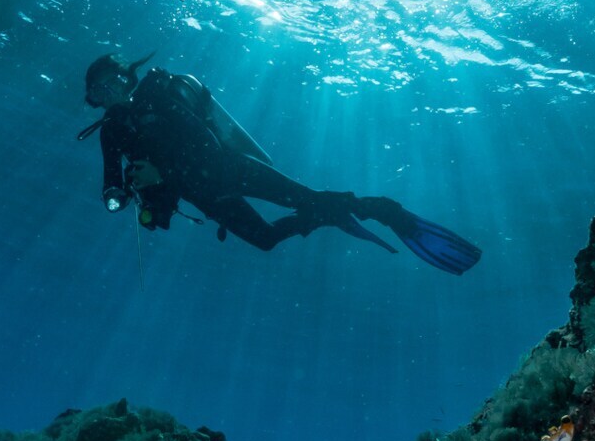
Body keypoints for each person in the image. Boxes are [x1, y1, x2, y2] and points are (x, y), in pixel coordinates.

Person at [77, 52, 481, 274]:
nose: (108, 93)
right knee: (267, 239)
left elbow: (205, 143)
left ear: (126, 77)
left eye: (112, 81)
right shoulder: (112, 132)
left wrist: (162, 172)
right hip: (202, 193)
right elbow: (111, 182)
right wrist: (118, 195)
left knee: (303, 198)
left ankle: (379, 208)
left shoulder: (158, 97)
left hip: (229, 167)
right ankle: (329, 215)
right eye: (98, 91)